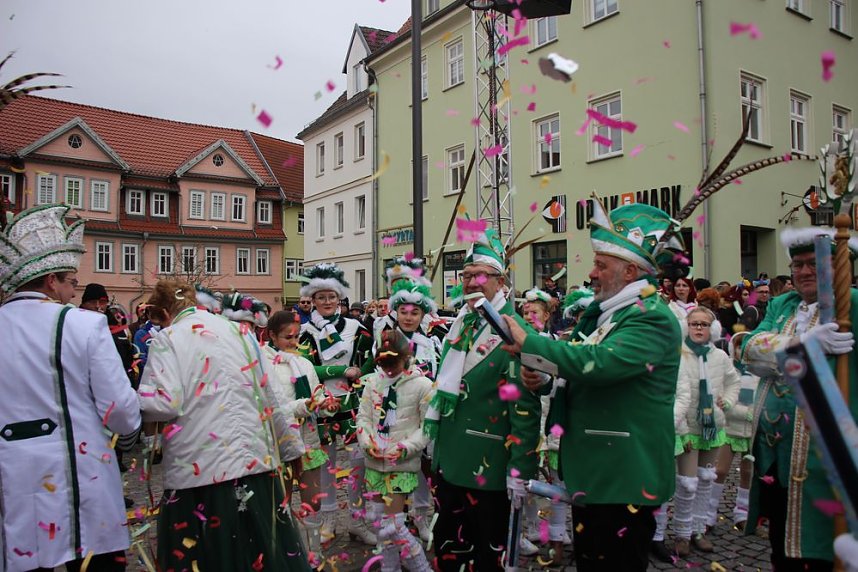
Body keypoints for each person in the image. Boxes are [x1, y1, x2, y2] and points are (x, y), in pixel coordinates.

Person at [503, 199, 686, 571]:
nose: (592, 273)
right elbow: (581, 368)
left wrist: (532, 344)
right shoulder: (613, 314)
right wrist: (543, 377)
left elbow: (602, 364)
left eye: (601, 265)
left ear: (630, 271)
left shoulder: (651, 317)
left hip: (623, 476)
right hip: (599, 473)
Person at [0, 204, 141, 572]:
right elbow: (120, 409)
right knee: (94, 558)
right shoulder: (84, 324)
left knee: (24, 556)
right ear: (51, 281)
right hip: (80, 476)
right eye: (71, 281)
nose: (74, 289)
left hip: (12, 477)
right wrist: (129, 432)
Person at [137, 279, 310, 571]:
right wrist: (290, 447)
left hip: (201, 471)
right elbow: (270, 394)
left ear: (165, 313)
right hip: (254, 463)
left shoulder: (169, 338)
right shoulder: (239, 332)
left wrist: (131, 401)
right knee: (260, 553)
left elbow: (164, 404)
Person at [737, 227, 858, 571]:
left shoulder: (852, 305)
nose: (804, 271)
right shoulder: (783, 305)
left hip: (827, 457)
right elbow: (747, 349)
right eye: (797, 265)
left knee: (820, 550)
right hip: (775, 455)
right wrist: (800, 344)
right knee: (781, 545)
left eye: (814, 264)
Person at [427, 229, 541, 572]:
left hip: (488, 468)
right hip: (450, 462)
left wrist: (520, 469)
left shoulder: (514, 331)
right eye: (465, 275)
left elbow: (524, 409)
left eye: (479, 275)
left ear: (500, 281)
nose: (470, 282)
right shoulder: (462, 322)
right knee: (450, 553)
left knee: (486, 559)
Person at [298, 263, 375, 545]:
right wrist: (342, 371)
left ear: (339, 298)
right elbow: (306, 366)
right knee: (326, 465)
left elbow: (371, 357)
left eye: (332, 297)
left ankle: (357, 519)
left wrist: (361, 374)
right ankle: (328, 519)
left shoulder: (355, 327)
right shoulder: (306, 331)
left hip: (352, 403)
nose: (327, 302)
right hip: (322, 404)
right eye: (321, 297)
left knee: (358, 461)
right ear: (313, 300)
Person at [264, 310, 340, 567]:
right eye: (288, 337)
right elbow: (273, 408)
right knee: (282, 501)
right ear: (272, 335)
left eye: (297, 336)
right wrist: (304, 406)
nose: (294, 342)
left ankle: (314, 551)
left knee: (312, 500)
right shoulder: (264, 363)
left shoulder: (304, 363)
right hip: (281, 442)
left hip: (308, 439)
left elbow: (316, 396)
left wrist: (326, 405)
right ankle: (287, 552)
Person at [356, 330, 434, 572]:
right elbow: (363, 418)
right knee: (381, 525)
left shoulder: (422, 385)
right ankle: (390, 567)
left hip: (401, 463)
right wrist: (367, 443)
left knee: (394, 524)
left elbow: (427, 426)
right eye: (383, 364)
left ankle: (421, 567)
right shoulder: (372, 383)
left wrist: (405, 448)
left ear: (406, 357)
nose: (388, 369)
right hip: (374, 462)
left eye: (393, 363)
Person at [670, 307, 741, 556]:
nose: (699, 328)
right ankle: (681, 533)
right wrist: (681, 430)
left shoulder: (720, 356)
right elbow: (673, 393)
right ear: (686, 327)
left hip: (712, 428)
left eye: (704, 324)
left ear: (713, 329)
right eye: (694, 324)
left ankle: (698, 530)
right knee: (687, 483)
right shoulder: (678, 355)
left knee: (705, 481)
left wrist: (727, 402)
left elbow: (733, 382)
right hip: (688, 428)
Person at [520, 287, 572, 564]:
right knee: (529, 478)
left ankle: (555, 532)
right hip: (529, 420)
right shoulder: (518, 344)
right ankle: (530, 528)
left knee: (555, 479)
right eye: (525, 313)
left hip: (552, 421)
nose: (529, 317)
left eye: (534, 313)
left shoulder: (555, 344)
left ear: (547, 315)